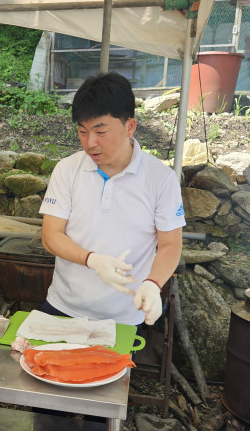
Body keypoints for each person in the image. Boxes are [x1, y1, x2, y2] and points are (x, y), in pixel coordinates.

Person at [40, 72, 184, 327]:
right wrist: (92, 260)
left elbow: (170, 244)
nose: (90, 143)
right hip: (63, 306)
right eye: (82, 132)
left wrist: (153, 284)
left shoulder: (160, 178)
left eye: (101, 131)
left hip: (124, 316)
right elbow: (51, 235)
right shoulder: (67, 169)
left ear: (130, 126)